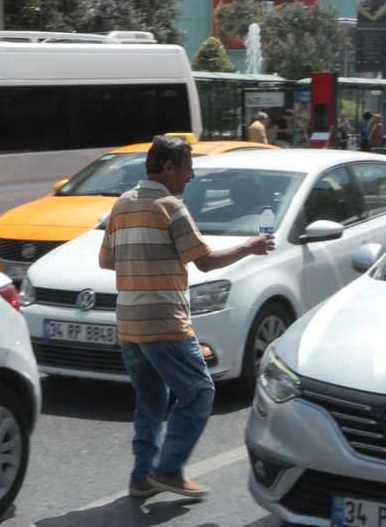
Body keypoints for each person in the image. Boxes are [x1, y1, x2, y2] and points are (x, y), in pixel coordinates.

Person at [99, 135, 274, 499]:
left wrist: (141, 260)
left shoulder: (123, 204)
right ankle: (168, 470)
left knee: (149, 401)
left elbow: (106, 259)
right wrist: (251, 246)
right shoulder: (170, 207)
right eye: (188, 167)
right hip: (165, 321)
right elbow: (206, 261)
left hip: (129, 323)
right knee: (199, 392)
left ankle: (141, 477)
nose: (191, 175)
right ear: (168, 168)